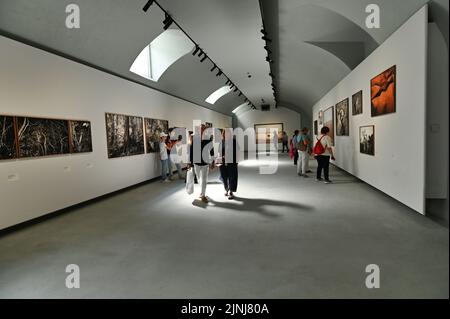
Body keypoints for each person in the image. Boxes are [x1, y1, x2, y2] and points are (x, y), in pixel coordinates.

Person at [189, 124, 214, 203]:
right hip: (196, 162)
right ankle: (201, 192)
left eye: (203, 129)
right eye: (200, 129)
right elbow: (192, 151)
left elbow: (211, 151)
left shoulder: (208, 139)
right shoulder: (195, 139)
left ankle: (203, 195)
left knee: (204, 179)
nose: (202, 131)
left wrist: (212, 161)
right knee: (199, 179)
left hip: (205, 162)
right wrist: (190, 162)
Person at [218, 129, 239, 200]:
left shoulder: (234, 142)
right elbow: (219, 152)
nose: (226, 135)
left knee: (232, 177)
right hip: (223, 163)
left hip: (232, 163)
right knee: (224, 177)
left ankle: (231, 192)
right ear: (223, 134)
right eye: (225, 133)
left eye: (228, 133)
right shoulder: (221, 142)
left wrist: (236, 161)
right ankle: (226, 189)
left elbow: (237, 152)